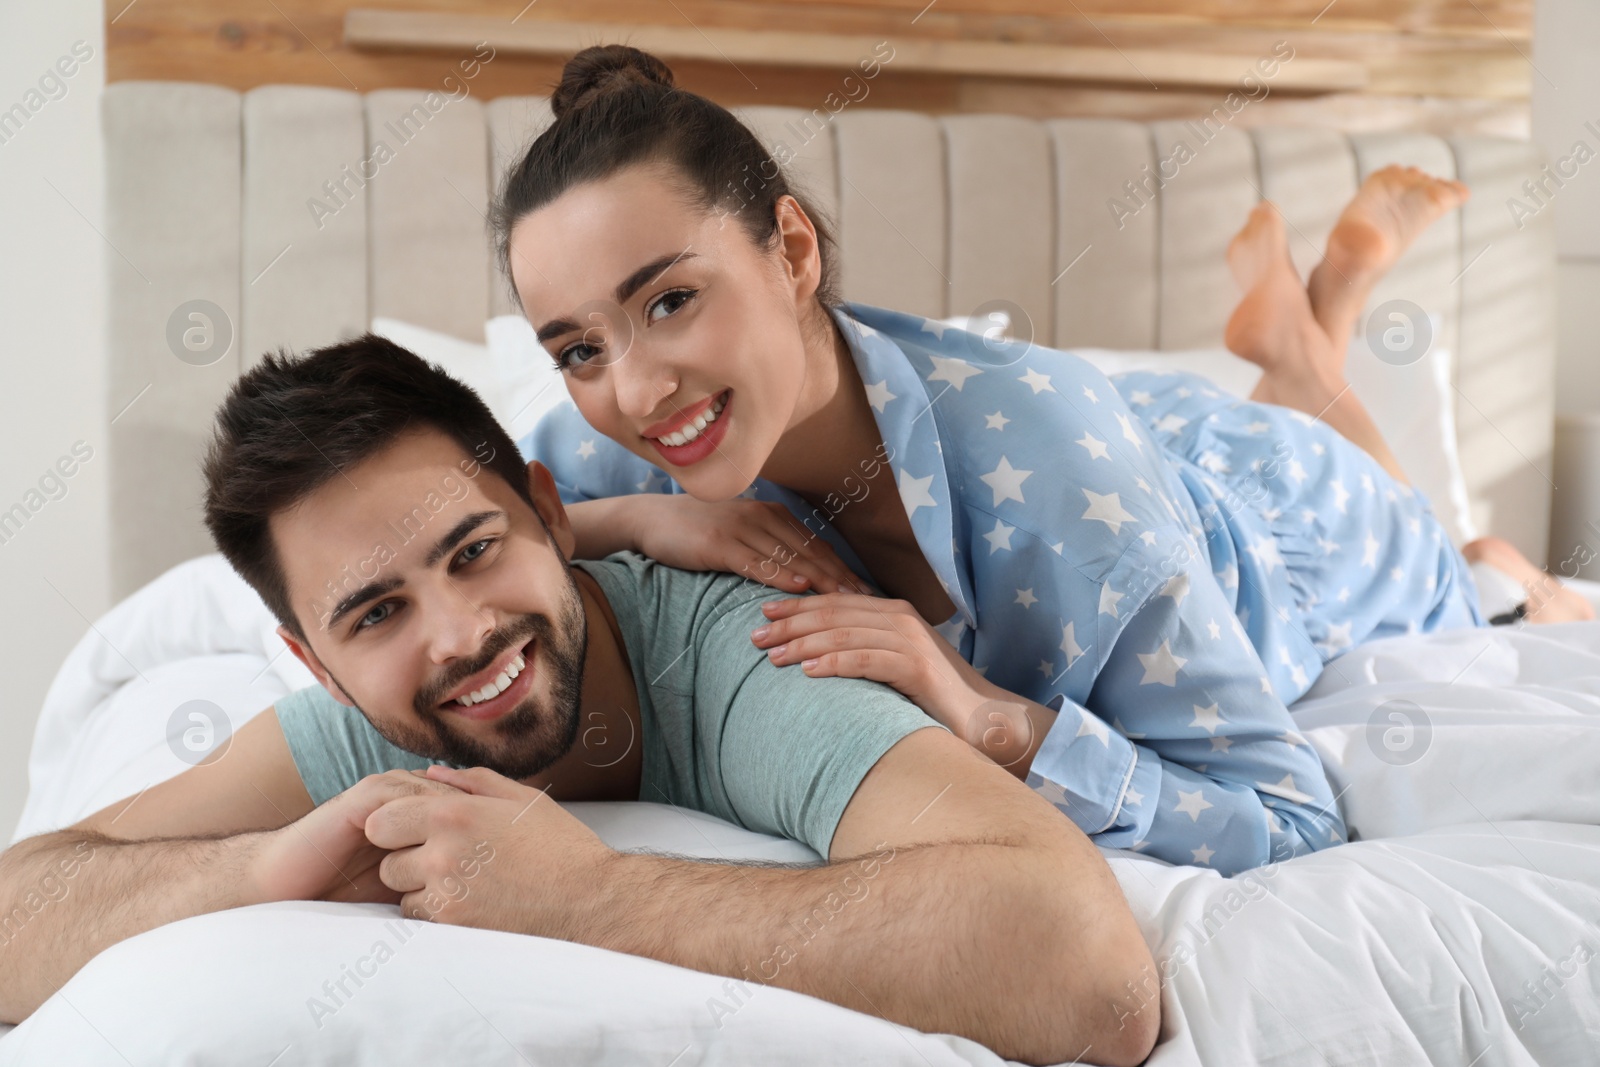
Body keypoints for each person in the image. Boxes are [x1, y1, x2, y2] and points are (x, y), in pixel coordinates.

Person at [497, 45, 1589, 879]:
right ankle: (1303, 341)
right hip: (1138, 445)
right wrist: (640, 522)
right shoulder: (618, 446)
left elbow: (1292, 817)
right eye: (580, 348)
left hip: (1286, 520)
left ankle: (1312, 354)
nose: (634, 392)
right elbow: (488, 519)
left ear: (791, 250)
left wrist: (991, 716)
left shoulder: (1066, 488)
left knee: (1491, 576)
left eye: (671, 299)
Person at [0, 338, 1158, 1067]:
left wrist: (587, 895)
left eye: (473, 550)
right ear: (316, 664)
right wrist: (259, 868)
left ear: (554, 514)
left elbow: (1095, 979)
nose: (459, 636)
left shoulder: (751, 651)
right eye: (376, 613)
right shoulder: (355, 728)